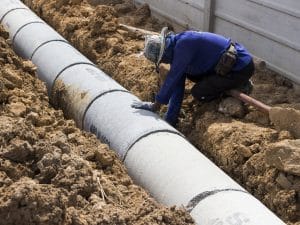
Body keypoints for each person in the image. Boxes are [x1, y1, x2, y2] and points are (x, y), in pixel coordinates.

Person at [132, 27, 254, 126]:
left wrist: (155, 105)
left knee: (199, 93)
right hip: (222, 66)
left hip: (240, 68)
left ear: (164, 52)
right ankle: (224, 85)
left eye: (162, 59)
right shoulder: (177, 44)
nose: (164, 61)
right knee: (192, 75)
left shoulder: (184, 46)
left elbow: (172, 78)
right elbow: (177, 85)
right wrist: (170, 119)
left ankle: (241, 86)